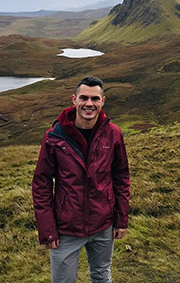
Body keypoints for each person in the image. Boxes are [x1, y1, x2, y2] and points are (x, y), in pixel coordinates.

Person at [32, 76, 130, 283]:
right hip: (66, 228)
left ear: (102, 101)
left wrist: (120, 219)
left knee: (102, 275)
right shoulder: (54, 136)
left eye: (95, 99)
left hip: (103, 224)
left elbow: (121, 177)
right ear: (74, 99)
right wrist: (48, 230)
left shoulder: (113, 134)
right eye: (84, 98)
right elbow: (41, 182)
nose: (89, 104)